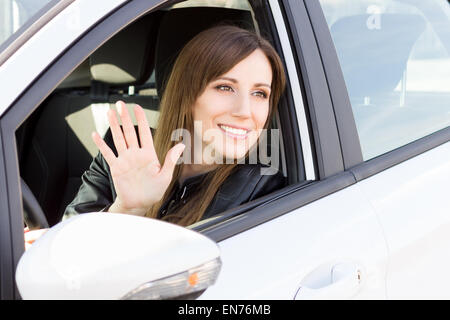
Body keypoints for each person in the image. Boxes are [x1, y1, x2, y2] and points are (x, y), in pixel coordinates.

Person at [24, 24, 287, 246]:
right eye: (225, 87)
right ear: (187, 95)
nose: (245, 111)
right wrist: (127, 209)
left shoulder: (264, 191)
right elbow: (69, 249)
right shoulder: (124, 148)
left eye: (259, 93)